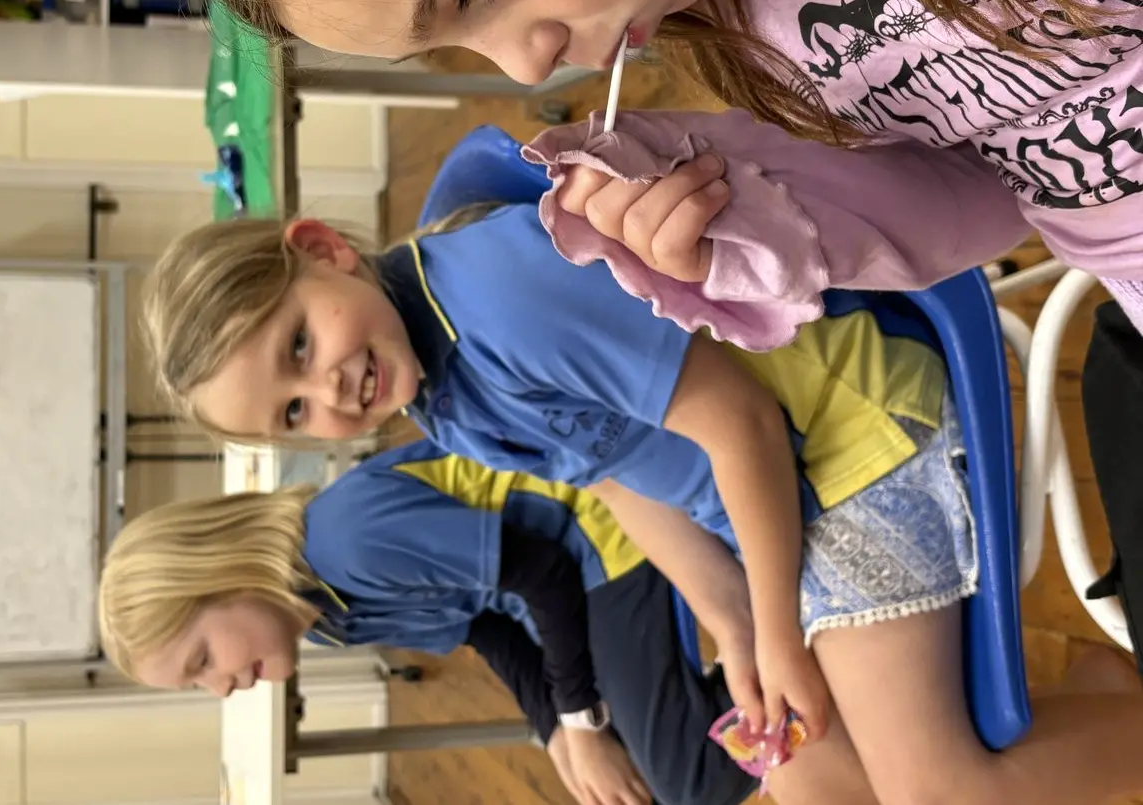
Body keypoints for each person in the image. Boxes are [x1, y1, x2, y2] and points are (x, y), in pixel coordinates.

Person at [143, 203, 1143, 805]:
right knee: (802, 787)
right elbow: (616, 477)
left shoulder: (494, 302)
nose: (329, 397)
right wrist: (732, 624)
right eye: (290, 413)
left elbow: (741, 425)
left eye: (300, 349)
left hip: (855, 440)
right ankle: (1103, 699)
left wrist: (777, 633)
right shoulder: (436, 399)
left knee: (936, 795)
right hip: (796, 496)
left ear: (322, 248)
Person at [155, 0, 1143, 332]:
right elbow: (998, 188)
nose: (521, 69)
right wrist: (747, 212)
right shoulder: (727, 5)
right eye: (451, 44)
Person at [97, 441, 877, 805]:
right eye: (198, 684)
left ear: (222, 575)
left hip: (597, 527)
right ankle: (801, 664)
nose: (221, 686)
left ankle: (835, 647)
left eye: (202, 658)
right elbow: (487, 627)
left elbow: (542, 569)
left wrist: (583, 717)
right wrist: (561, 732)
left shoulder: (344, 540)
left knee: (684, 778)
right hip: (559, 577)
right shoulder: (329, 618)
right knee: (652, 765)